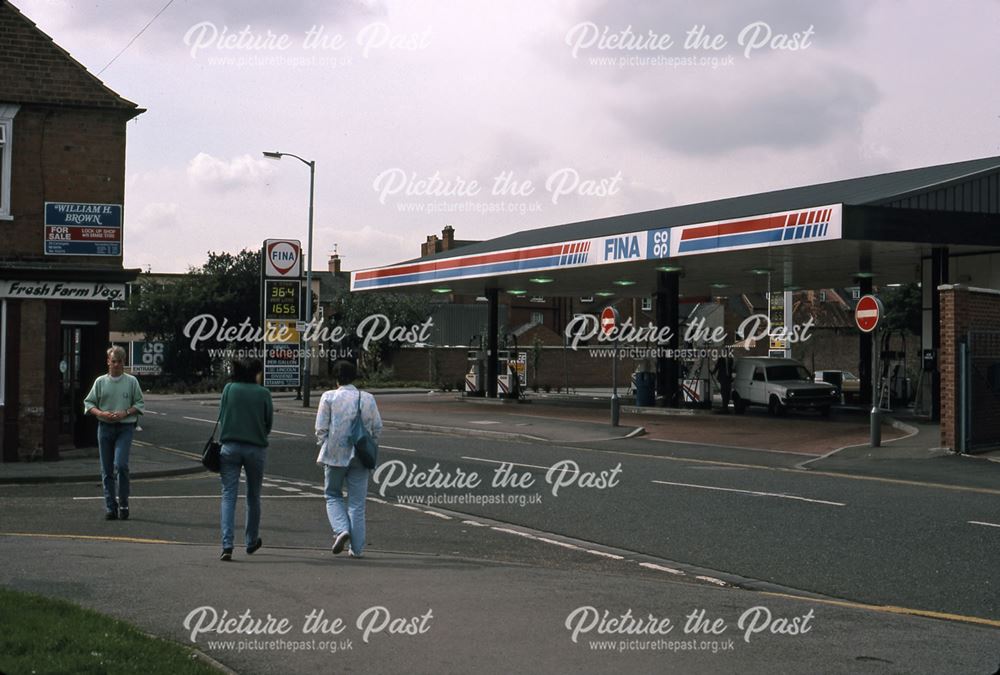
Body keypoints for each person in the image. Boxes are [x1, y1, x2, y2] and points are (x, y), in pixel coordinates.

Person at [315, 360, 382, 558]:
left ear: (335, 378)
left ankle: (341, 529)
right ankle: (357, 548)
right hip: (361, 455)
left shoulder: (328, 397)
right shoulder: (368, 398)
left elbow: (321, 428)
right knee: (357, 503)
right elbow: (377, 428)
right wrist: (369, 445)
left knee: (333, 494)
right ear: (354, 376)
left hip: (335, 455)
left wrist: (325, 445)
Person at [217, 357, 273, 561]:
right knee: (253, 496)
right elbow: (268, 423)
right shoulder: (264, 393)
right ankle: (251, 541)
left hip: (230, 447)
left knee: (228, 495)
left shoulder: (229, 389)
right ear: (255, 373)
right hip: (255, 448)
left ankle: (227, 545)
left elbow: (222, 416)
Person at [84, 346, 145, 521]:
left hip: (125, 428)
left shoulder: (132, 382)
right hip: (104, 428)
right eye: (113, 361)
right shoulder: (100, 382)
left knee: (121, 465)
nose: (117, 364)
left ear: (124, 363)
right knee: (107, 469)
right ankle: (111, 507)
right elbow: (89, 403)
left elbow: (140, 404)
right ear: (108, 362)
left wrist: (125, 412)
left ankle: (124, 504)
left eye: (120, 361)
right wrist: (101, 413)